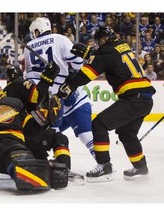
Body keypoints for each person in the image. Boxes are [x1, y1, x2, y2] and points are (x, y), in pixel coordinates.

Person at [57, 26, 156, 182]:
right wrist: (91, 54)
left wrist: (69, 86)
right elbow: (109, 58)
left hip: (133, 99)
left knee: (99, 124)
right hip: (145, 99)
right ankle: (140, 167)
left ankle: (104, 166)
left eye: (99, 41)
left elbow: (87, 74)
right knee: (127, 134)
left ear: (103, 39)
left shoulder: (105, 53)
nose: (98, 43)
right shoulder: (123, 44)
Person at [24, 17, 96, 160]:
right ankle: (103, 163)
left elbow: (31, 78)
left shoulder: (29, 47)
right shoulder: (60, 38)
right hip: (69, 95)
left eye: (34, 31)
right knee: (85, 135)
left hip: (48, 101)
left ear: (37, 30)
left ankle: (45, 162)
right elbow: (77, 64)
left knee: (48, 134)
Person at [2, 66, 84, 184]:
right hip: (27, 134)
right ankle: (64, 168)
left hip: (11, 139)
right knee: (59, 138)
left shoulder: (4, 92)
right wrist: (46, 79)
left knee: (41, 163)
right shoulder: (19, 83)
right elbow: (38, 96)